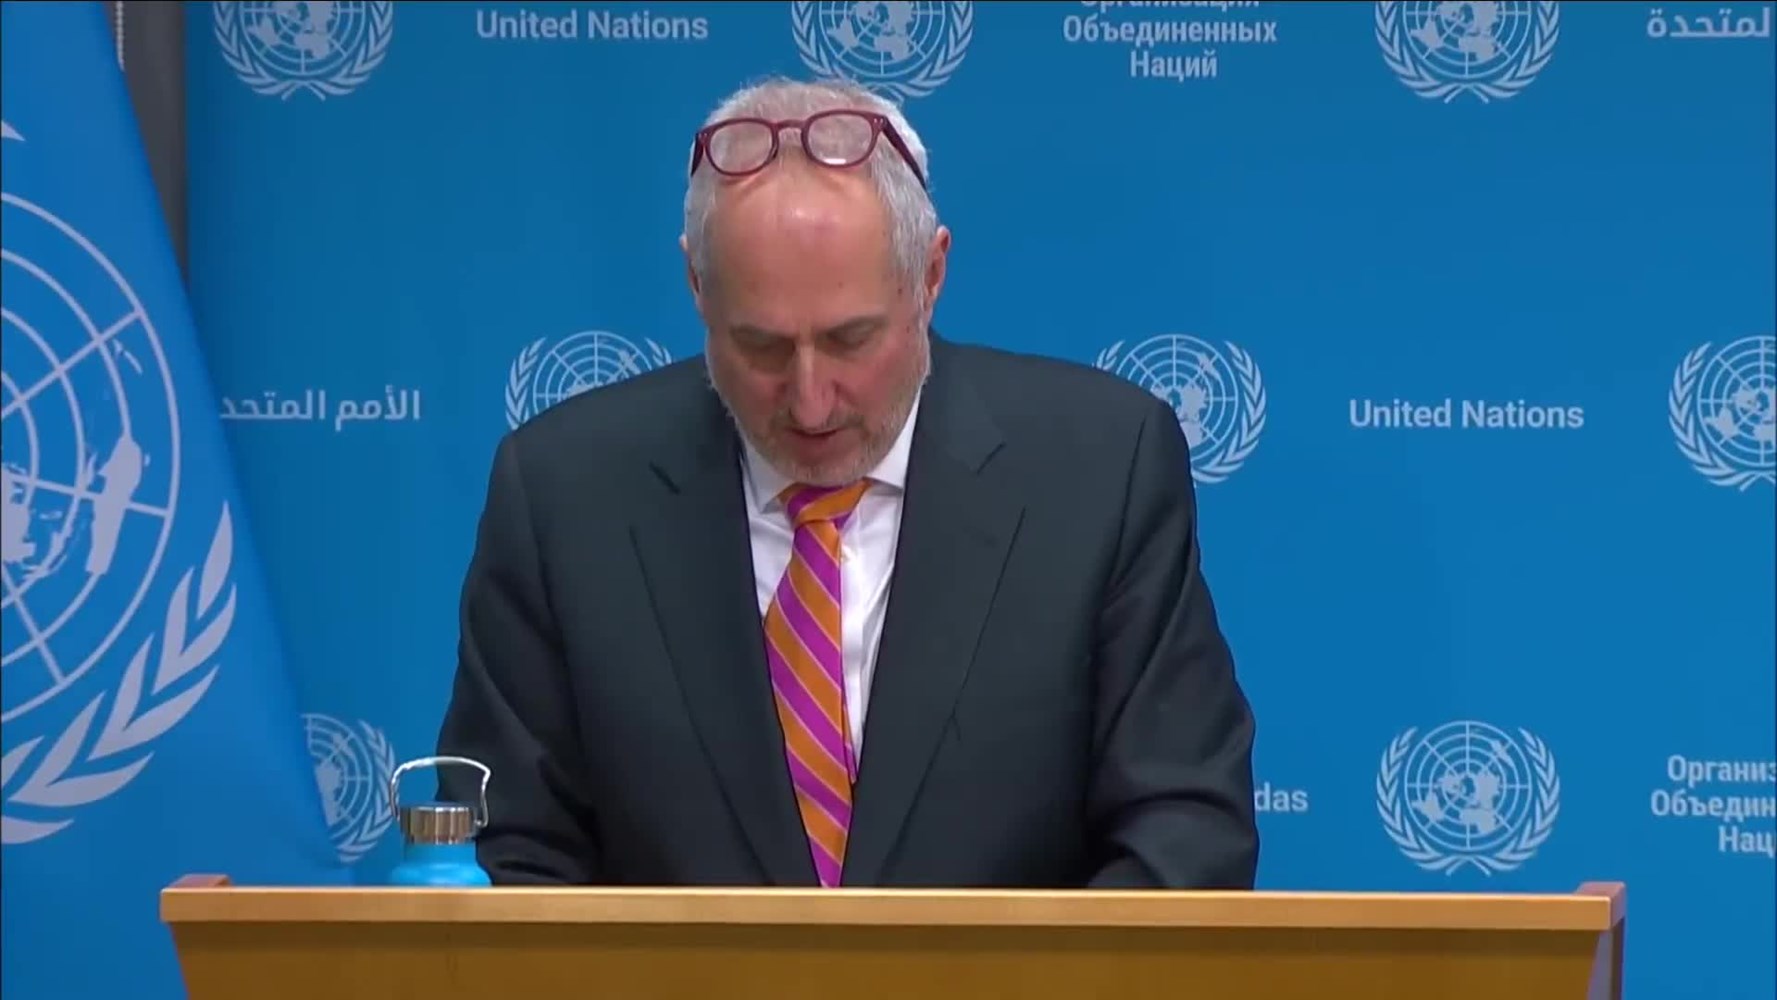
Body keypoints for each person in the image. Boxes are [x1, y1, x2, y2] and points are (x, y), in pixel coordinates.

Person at [433, 76, 1258, 889]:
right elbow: (511, 853)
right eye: (760, 346)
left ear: (930, 276)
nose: (810, 400)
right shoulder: (565, 495)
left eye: (850, 340)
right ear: (696, 287)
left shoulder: (1099, 472)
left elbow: (1185, 834)